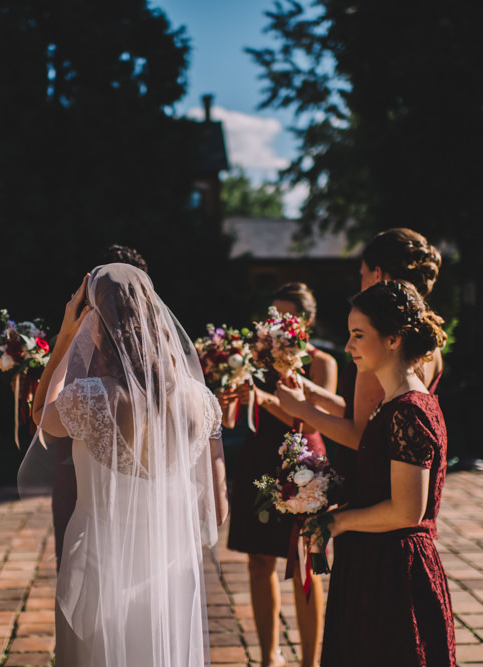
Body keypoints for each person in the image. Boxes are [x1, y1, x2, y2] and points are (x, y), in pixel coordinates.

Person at [20, 263, 229, 666]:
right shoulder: (202, 402)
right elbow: (217, 513)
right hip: (169, 578)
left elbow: (40, 413)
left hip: (99, 571)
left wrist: (66, 334)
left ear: (95, 324)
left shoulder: (91, 398)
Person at [277, 280, 456, 666]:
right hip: (373, 563)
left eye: (358, 335)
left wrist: (336, 521)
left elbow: (407, 510)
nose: (348, 347)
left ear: (393, 339)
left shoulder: (409, 410)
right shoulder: (391, 404)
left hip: (395, 573)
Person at [224, 283, 337, 667]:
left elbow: (307, 417)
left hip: (304, 464)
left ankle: (309, 662)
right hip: (260, 461)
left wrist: (264, 398)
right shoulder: (256, 361)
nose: (275, 324)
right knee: (259, 561)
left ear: (306, 321)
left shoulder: (322, 363)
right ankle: (269, 657)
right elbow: (239, 415)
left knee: (307, 562)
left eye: (285, 316)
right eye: (272, 315)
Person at [281, 228, 443, 469]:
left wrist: (300, 409)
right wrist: (314, 394)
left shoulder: (379, 349)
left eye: (362, 274)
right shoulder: (426, 338)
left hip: (374, 475)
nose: (361, 282)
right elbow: (377, 414)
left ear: (377, 275)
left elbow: (362, 435)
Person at [49, 245, 149, 570]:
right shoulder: (82, 336)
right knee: (71, 553)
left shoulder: (153, 360)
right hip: (73, 462)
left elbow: (45, 410)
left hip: (129, 480)